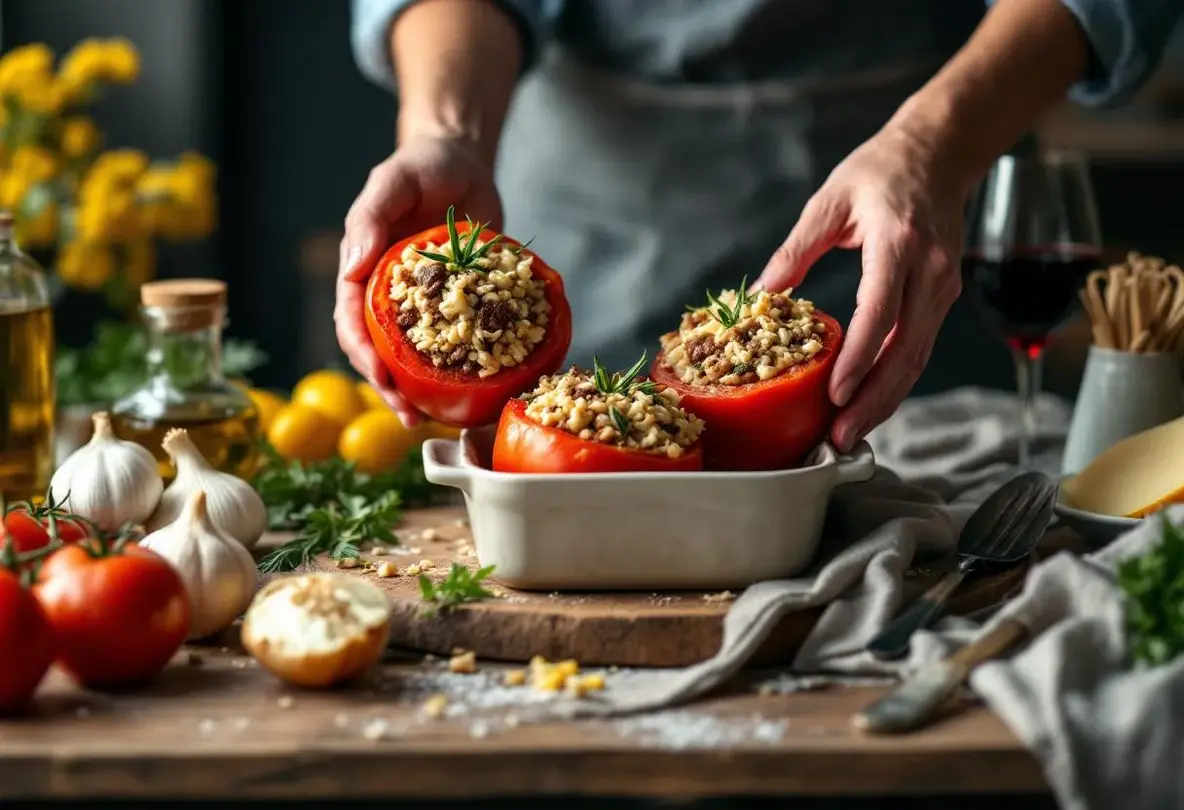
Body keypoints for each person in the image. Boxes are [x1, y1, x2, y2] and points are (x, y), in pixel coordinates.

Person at [338, 0, 1180, 452]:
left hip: (913, 186)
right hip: (589, 206)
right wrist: (445, 132)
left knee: (909, 502)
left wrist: (932, 146)